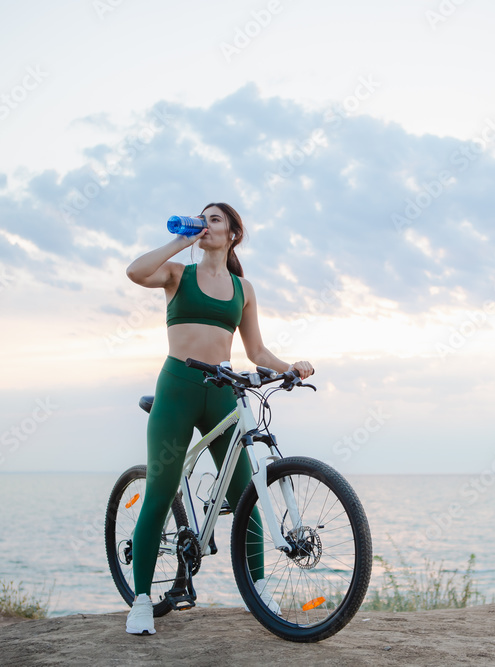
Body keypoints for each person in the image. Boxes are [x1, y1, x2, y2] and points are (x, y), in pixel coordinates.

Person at [123, 202, 314, 635]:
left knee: (247, 493)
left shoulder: (243, 289)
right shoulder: (176, 274)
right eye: (201, 218)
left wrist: (289, 368)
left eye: (213, 219)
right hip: (177, 390)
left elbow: (257, 352)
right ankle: (140, 602)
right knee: (159, 491)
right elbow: (135, 272)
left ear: (232, 234)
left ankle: (260, 589)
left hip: (223, 393)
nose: (204, 224)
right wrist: (180, 241)